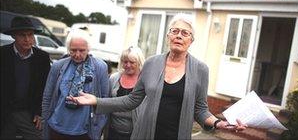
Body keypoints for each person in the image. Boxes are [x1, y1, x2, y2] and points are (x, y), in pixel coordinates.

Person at [68, 13, 247, 140]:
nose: (179, 35)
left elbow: (200, 109)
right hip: (145, 133)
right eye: (175, 31)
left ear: (191, 40)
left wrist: (218, 123)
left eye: (185, 33)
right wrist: (96, 101)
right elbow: (132, 100)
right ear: (168, 36)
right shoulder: (151, 63)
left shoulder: (201, 69)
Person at [42, 29, 109, 140]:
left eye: (82, 50)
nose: (77, 54)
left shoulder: (100, 67)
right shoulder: (58, 66)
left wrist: (98, 126)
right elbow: (47, 97)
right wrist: (45, 122)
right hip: (56, 128)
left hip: (84, 132)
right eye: (73, 50)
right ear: (68, 49)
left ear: (88, 49)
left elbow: (105, 100)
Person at [0, 16, 51, 139]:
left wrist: (40, 112)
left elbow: (45, 88)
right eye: (22, 35)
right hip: (4, 110)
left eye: (30, 35)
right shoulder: (2, 54)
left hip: (29, 112)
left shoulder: (42, 57)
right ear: (13, 36)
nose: (27, 39)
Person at [106, 46, 145, 140]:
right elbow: (106, 101)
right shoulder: (114, 78)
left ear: (139, 62)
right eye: (125, 61)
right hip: (112, 131)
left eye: (132, 62)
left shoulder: (145, 80)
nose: (128, 65)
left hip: (135, 133)